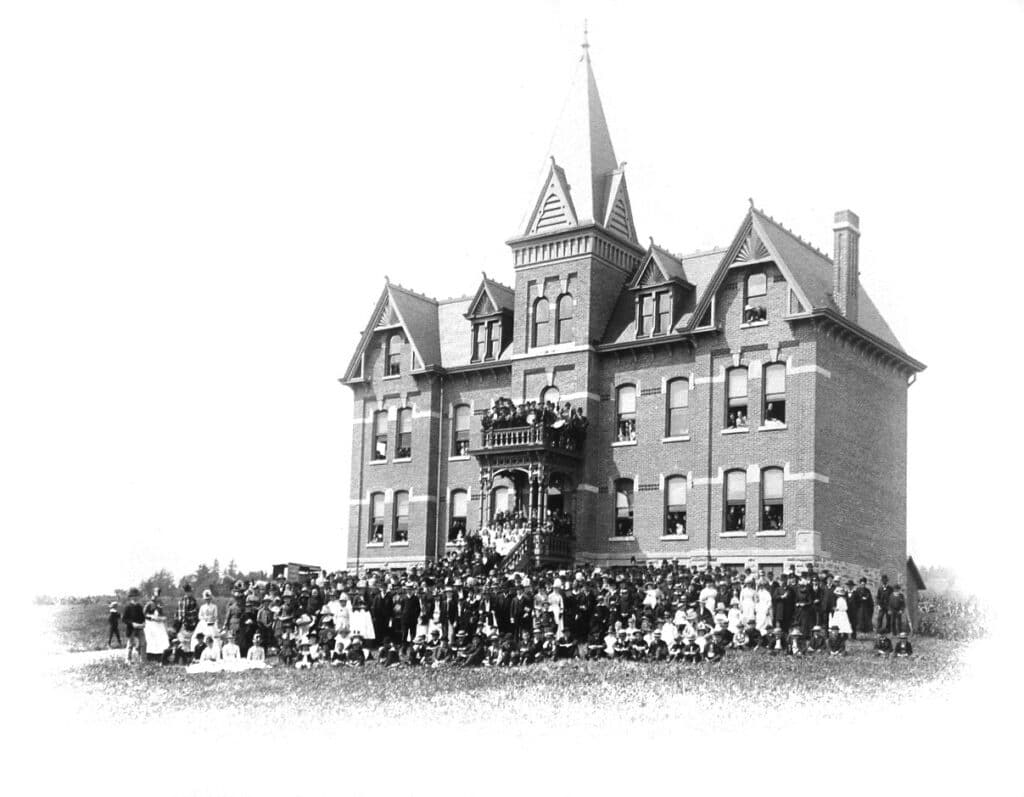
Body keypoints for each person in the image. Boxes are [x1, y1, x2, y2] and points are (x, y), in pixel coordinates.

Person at [143, 589, 170, 664]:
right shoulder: (149, 604)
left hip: (158, 623)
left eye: (158, 594)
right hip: (150, 624)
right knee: (151, 639)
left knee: (161, 637)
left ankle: (160, 655)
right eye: (156, 594)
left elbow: (161, 613)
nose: (157, 595)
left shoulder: (160, 603)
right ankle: (151, 655)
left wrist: (161, 618)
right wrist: (151, 618)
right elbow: (144, 614)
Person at [122, 588, 145, 664]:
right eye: (133, 596)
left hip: (140, 627)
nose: (135, 597)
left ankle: (142, 659)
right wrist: (132, 623)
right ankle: (128, 659)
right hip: (131, 628)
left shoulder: (139, 607)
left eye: (136, 596)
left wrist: (143, 623)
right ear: (130, 597)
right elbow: (124, 619)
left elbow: (142, 617)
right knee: (130, 644)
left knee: (143, 643)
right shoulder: (128, 607)